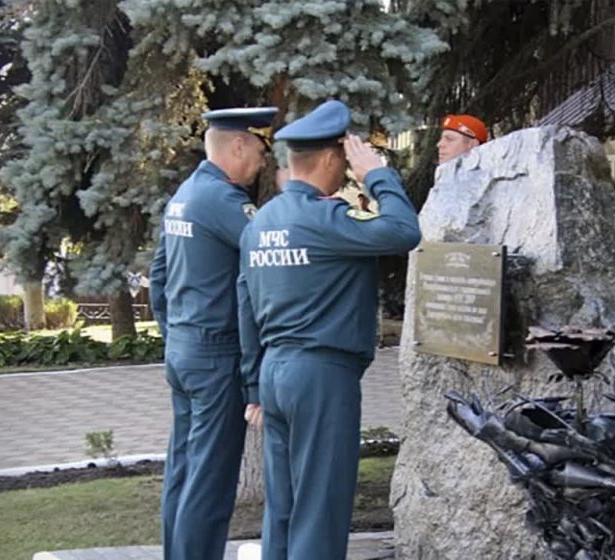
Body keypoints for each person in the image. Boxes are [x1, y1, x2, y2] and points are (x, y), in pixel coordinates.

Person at [236, 100, 422, 559]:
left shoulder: (260, 223)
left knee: (283, 509)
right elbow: (403, 230)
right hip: (321, 376)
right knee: (320, 507)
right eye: (346, 158)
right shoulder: (325, 219)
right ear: (331, 158)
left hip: (275, 373)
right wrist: (376, 174)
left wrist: (253, 384)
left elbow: (245, 304)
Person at [149, 105, 276, 560]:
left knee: (183, 471)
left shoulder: (185, 194)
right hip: (215, 355)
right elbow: (269, 257)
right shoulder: (223, 202)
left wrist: (177, 334)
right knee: (210, 480)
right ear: (239, 144)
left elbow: (159, 276)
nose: (264, 161)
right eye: (261, 149)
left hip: (184, 351)